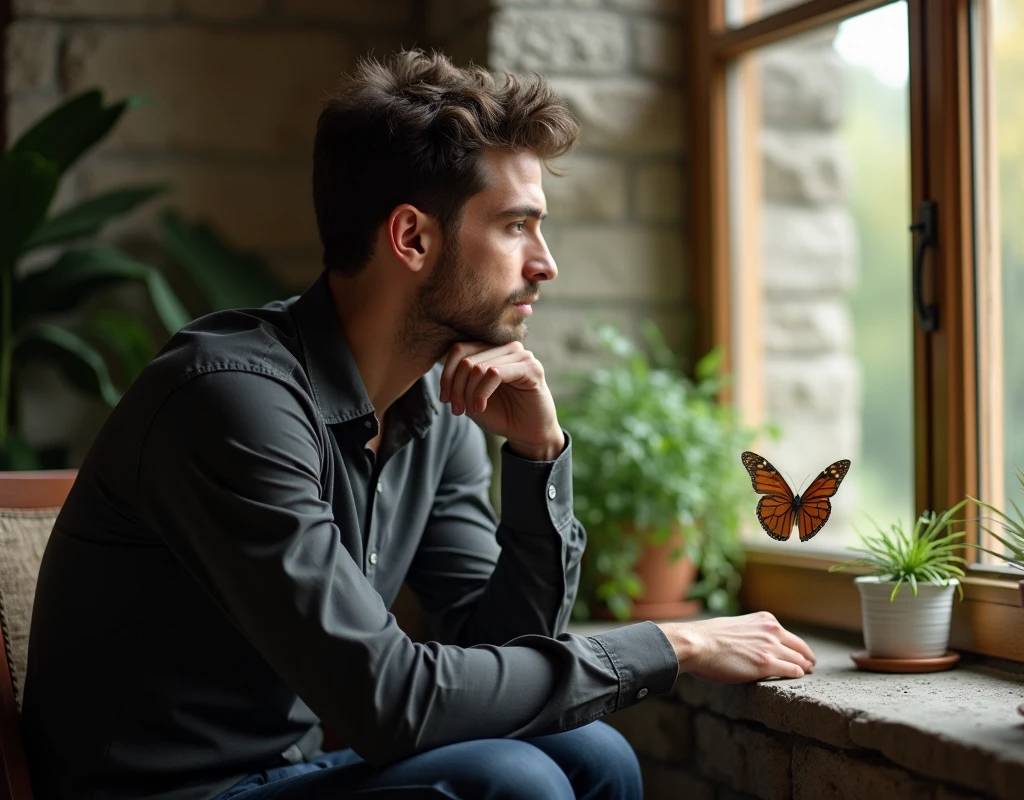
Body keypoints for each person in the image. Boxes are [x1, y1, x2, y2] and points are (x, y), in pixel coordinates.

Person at [21, 49, 817, 800]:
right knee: (515, 784)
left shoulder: (433, 415)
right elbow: (387, 700)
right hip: (178, 793)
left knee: (594, 754)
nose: (546, 262)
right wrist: (673, 644)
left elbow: (498, 657)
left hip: (290, 773)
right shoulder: (231, 401)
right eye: (515, 226)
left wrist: (538, 455)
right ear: (411, 237)